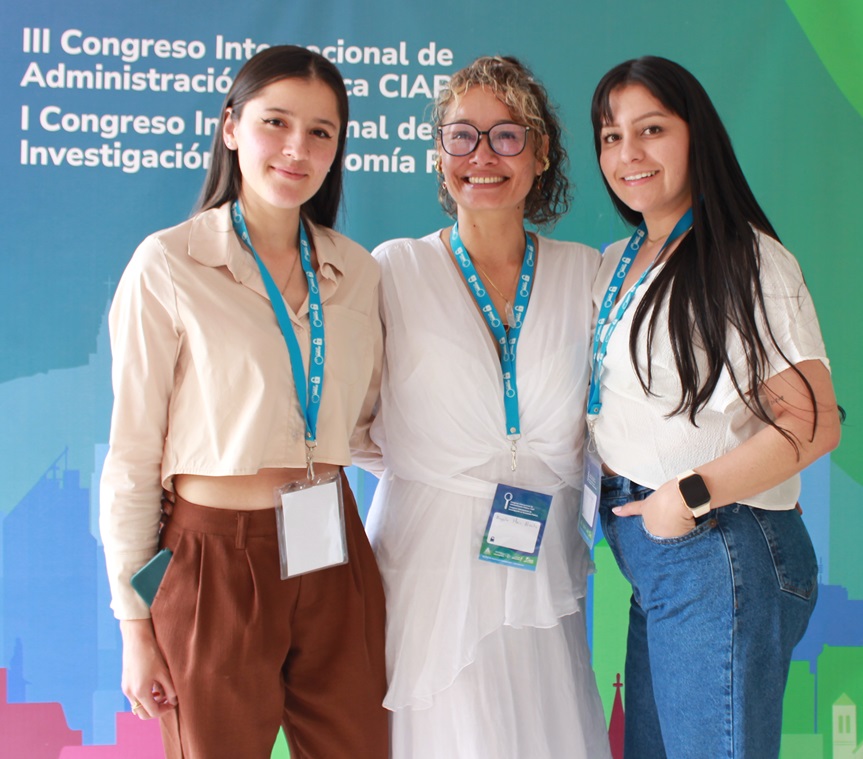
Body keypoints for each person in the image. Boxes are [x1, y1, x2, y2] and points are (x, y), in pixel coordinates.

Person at [99, 45, 387, 759]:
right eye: (275, 122)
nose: (297, 148)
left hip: (332, 544)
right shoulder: (169, 263)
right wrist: (135, 624)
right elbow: (134, 454)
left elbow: (370, 424)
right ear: (231, 127)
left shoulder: (358, 273)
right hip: (212, 555)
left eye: (321, 131)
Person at [358, 56, 612, 759]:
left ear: (542, 153)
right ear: (439, 154)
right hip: (426, 560)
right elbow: (348, 417)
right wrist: (439, 465)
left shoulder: (583, 272)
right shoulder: (394, 269)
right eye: (461, 136)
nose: (481, 156)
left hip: (540, 557)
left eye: (506, 135)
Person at [589, 56, 842, 759]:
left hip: (717, 543)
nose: (627, 153)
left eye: (650, 130)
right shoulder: (617, 259)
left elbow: (813, 420)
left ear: (696, 135)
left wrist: (690, 493)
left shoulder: (745, 260)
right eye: (610, 136)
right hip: (658, 553)